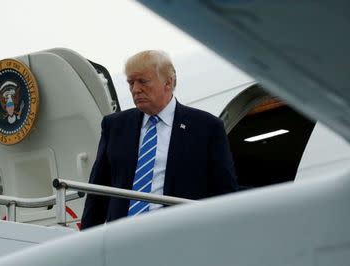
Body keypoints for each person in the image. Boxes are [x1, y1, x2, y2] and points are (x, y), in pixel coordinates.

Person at [81, 50, 237, 230]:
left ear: (168, 82)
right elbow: (98, 192)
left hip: (180, 237)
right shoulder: (115, 126)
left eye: (143, 81)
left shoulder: (206, 127)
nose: (135, 89)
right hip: (123, 237)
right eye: (131, 83)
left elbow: (224, 192)